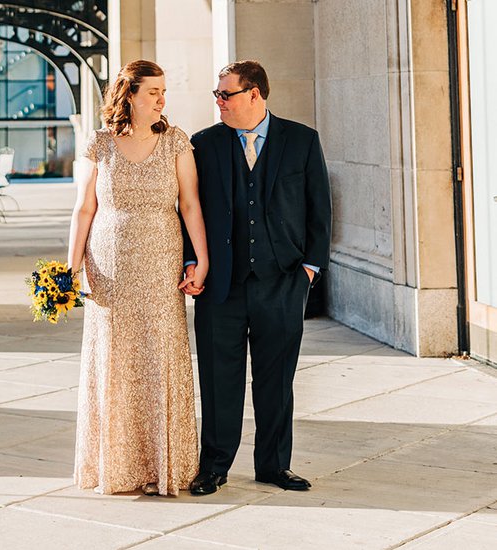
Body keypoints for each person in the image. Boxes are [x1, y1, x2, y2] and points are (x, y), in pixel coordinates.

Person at [181, 60, 332, 495]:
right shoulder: (203, 144)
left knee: (276, 381)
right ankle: (214, 467)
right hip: (220, 286)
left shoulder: (301, 140)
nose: (219, 101)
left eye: (225, 94)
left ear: (254, 94)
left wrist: (309, 270)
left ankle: (274, 466)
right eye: (217, 94)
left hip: (282, 281)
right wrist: (192, 261)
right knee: (218, 380)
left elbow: (319, 208)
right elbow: (187, 209)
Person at [68, 60, 209, 497]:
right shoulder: (100, 144)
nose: (161, 99)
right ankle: (117, 466)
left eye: (163, 91)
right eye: (153, 91)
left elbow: (190, 205)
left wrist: (201, 259)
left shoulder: (176, 142)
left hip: (161, 263)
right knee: (115, 359)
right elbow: (84, 209)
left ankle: (161, 466)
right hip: (108, 267)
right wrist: (70, 269)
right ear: (129, 94)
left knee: (158, 356)